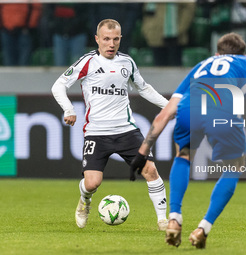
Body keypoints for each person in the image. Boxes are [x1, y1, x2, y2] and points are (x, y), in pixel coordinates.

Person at [130, 33, 246, 248]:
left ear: (217, 54)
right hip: (222, 108)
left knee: (183, 155)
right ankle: (203, 229)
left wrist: (142, 153)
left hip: (190, 108)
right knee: (234, 167)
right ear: (242, 53)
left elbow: (165, 114)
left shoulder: (201, 66)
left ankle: (175, 218)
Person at [51, 19, 169, 230]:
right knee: (92, 183)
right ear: (97, 39)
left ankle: (162, 220)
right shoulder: (87, 62)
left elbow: (144, 88)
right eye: (106, 39)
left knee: (150, 171)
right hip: (96, 133)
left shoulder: (127, 62)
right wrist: (69, 109)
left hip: (127, 131)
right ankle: (85, 201)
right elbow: (59, 85)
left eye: (115, 39)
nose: (111, 44)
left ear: (120, 39)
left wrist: (169, 106)